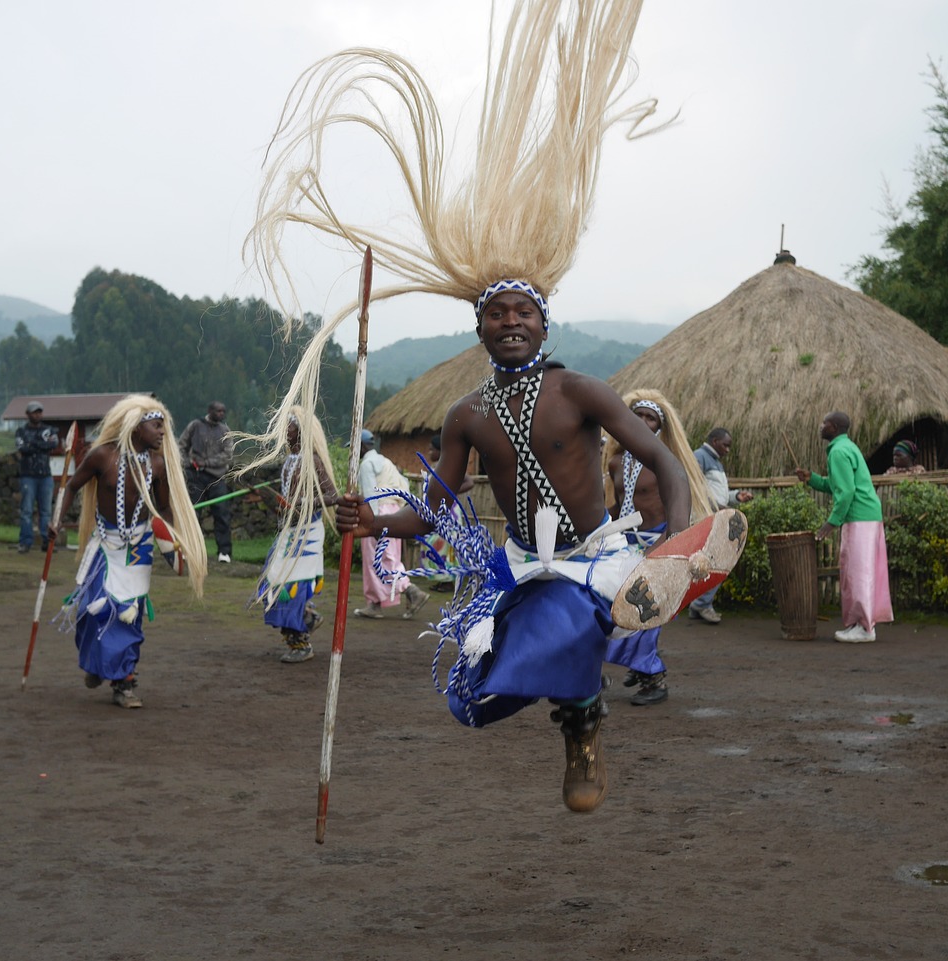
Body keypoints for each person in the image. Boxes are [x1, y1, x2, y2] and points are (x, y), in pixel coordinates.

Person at [248, 1, 680, 813]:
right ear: (477, 325)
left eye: (524, 313)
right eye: (496, 313)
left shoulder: (578, 389)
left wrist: (678, 549)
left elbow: (658, 459)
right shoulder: (466, 414)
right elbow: (441, 510)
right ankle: (580, 711)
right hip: (516, 564)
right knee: (475, 693)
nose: (510, 322)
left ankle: (583, 722)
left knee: (557, 629)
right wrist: (374, 524)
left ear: (544, 323)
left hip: (589, 559)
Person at [51, 395, 207, 708]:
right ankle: (96, 665)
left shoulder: (158, 465)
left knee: (127, 616)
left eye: (164, 426)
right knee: (90, 612)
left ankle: (124, 683)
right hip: (105, 546)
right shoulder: (102, 457)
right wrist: (56, 520)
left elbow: (163, 507)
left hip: (138, 550)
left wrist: (176, 541)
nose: (163, 432)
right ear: (136, 427)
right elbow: (71, 487)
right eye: (156, 425)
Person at [605, 390, 713, 705]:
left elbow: (676, 507)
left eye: (650, 417)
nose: (642, 421)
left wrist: (668, 545)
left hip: (658, 543)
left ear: (659, 426)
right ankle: (640, 668)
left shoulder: (666, 462)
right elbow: (618, 506)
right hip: (624, 544)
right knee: (618, 609)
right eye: (637, 415)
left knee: (647, 611)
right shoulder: (615, 461)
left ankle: (654, 678)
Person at [795, 411, 893, 643]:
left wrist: (831, 522)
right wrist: (812, 479)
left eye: (825, 423)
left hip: (859, 517)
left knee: (859, 572)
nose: (821, 426)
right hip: (866, 515)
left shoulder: (839, 452)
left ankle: (866, 628)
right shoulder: (846, 447)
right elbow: (838, 485)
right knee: (861, 570)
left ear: (835, 427)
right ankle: (862, 623)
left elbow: (847, 492)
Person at [257, 409, 340, 663]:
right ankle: (307, 616)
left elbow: (333, 496)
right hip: (289, 532)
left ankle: (300, 643)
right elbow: (288, 501)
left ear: (300, 430)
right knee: (271, 584)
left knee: (291, 589)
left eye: (288, 426)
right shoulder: (290, 460)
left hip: (307, 534)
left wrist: (306, 502)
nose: (284, 430)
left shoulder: (312, 460)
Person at [353, 429, 429, 619]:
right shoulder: (387, 463)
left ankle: (407, 591)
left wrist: (373, 521)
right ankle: (379, 601)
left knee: (376, 559)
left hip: (377, 512)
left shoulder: (367, 464)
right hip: (394, 512)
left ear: (362, 446)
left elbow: (371, 494)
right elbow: (403, 485)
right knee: (390, 557)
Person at [688, 427, 753, 624]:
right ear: (714, 440)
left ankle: (698, 604)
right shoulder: (699, 456)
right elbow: (694, 486)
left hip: (714, 517)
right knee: (719, 560)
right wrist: (717, 506)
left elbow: (716, 492)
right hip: (704, 518)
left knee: (712, 561)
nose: (728, 449)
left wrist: (735, 496)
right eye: (725, 445)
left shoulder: (715, 462)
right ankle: (701, 604)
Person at [179, 400, 234, 563]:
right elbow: (181, 445)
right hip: (195, 475)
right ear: (210, 410)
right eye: (218, 411)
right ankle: (188, 549)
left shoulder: (225, 431)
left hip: (217, 478)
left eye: (223, 411)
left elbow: (228, 454)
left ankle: (224, 552)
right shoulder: (195, 426)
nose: (221, 414)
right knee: (192, 513)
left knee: (222, 514)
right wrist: (187, 464)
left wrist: (207, 462)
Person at [419, 433, 473, 593]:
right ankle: (440, 579)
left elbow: (470, 482)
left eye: (431, 450)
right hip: (436, 511)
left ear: (439, 450)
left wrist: (450, 493)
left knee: (445, 544)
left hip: (447, 512)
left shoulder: (449, 467)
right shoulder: (437, 468)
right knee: (433, 543)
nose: (429, 453)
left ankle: (448, 582)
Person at [14, 401, 58, 553]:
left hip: (45, 475)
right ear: (28, 414)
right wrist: (40, 444)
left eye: (39, 412)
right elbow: (22, 448)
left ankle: (46, 541)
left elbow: (53, 444)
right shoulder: (21, 431)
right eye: (34, 412)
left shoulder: (48, 429)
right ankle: (25, 542)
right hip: (28, 476)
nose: (37, 414)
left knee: (46, 510)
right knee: (26, 510)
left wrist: (32, 444)